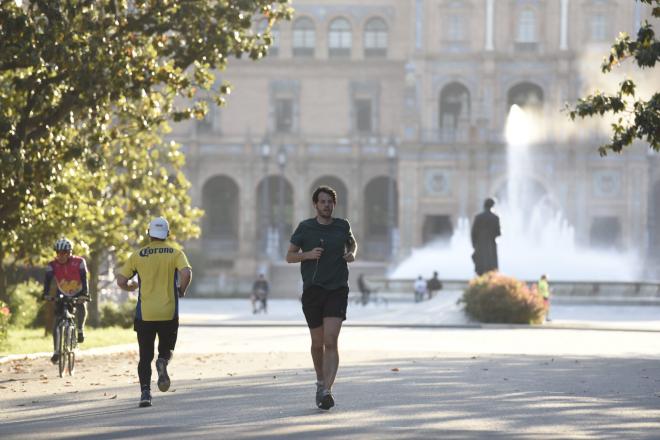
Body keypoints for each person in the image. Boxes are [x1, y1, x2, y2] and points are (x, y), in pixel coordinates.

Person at [286, 186, 357, 411]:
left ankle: (327, 390)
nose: (326, 205)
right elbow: (289, 256)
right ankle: (319, 381)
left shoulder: (342, 225)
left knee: (330, 340)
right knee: (317, 344)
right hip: (313, 291)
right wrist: (307, 254)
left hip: (337, 289)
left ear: (334, 205)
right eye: (322, 201)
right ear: (315, 204)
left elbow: (352, 243)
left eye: (330, 202)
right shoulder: (305, 228)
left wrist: (352, 253)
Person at [116, 217, 192, 408]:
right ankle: (163, 361)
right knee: (166, 350)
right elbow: (186, 273)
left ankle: (145, 393)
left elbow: (121, 281)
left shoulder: (138, 255)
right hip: (168, 312)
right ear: (167, 234)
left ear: (149, 233)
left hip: (145, 314)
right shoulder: (175, 253)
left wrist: (131, 286)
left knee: (144, 356)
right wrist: (181, 290)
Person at [42, 238, 90, 364]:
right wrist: (45, 294)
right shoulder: (52, 264)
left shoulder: (79, 262)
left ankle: (80, 329)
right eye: (58, 253)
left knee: (81, 306)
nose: (61, 255)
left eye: (64, 253)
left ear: (69, 252)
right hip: (62, 291)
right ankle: (56, 351)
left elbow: (85, 279)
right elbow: (47, 281)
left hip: (78, 290)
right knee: (57, 322)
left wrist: (85, 294)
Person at [471, 198, 501, 275]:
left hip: (480, 244)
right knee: (491, 267)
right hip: (491, 244)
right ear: (492, 206)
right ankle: (490, 282)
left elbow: (473, 233)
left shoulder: (478, 217)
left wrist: (474, 245)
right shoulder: (495, 218)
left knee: (480, 266)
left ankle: (479, 283)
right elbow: (498, 233)